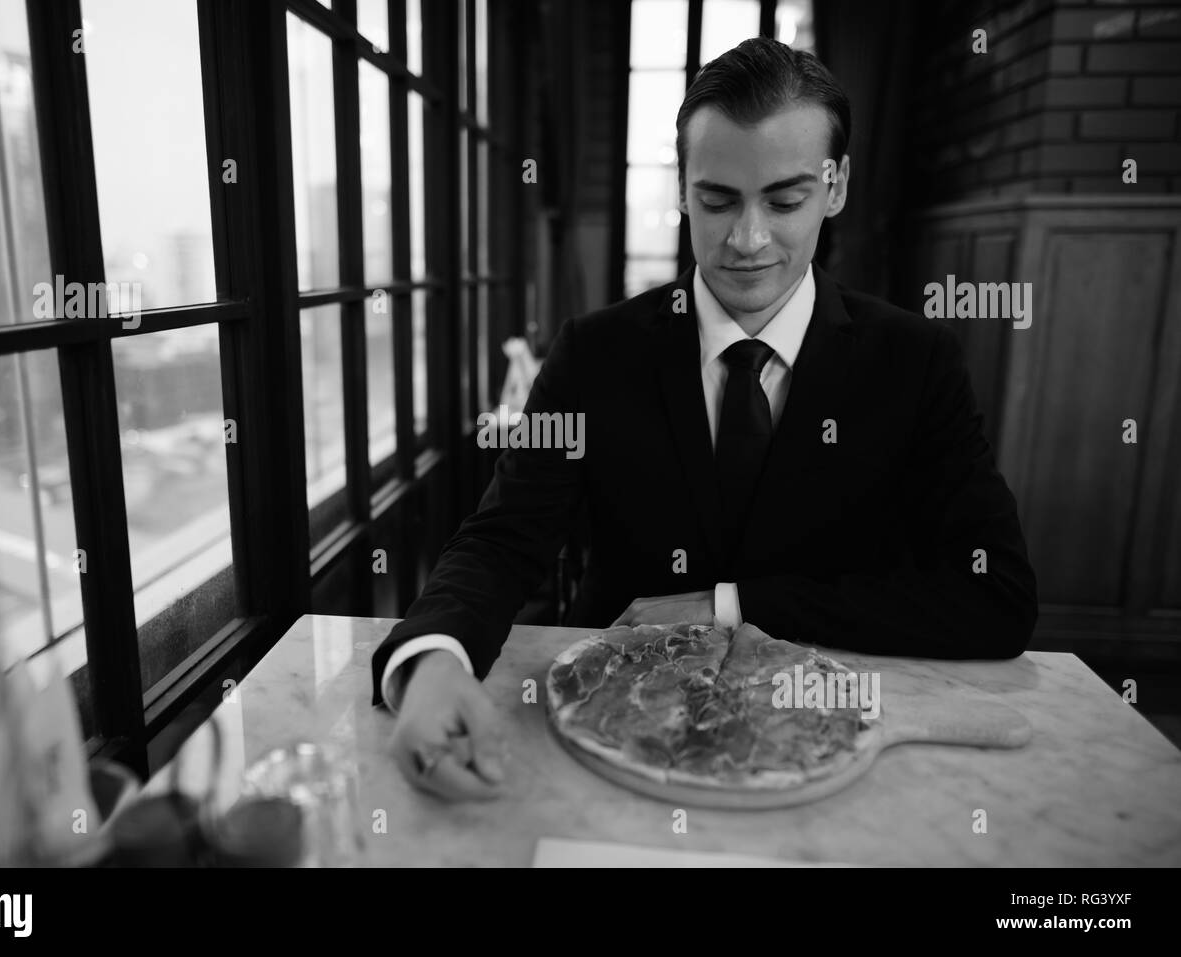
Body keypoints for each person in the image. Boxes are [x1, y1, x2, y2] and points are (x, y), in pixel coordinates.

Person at [372, 37, 1038, 801]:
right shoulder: (595, 352)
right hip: (603, 738)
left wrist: (731, 606)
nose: (747, 240)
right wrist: (430, 659)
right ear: (682, 190)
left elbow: (996, 594)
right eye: (717, 200)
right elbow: (503, 538)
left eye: (785, 201)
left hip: (825, 753)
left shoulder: (917, 361)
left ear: (838, 185)